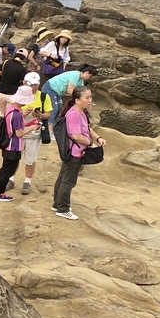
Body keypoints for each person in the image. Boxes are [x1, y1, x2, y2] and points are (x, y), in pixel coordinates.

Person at [53, 87, 107, 220]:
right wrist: (90, 143)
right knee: (68, 181)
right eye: (87, 98)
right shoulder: (74, 114)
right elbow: (76, 136)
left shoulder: (81, 112)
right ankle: (63, 208)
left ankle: (57, 203)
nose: (90, 100)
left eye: (90, 97)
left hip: (76, 152)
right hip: (74, 153)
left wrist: (98, 138)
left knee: (63, 177)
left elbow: (87, 129)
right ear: (77, 100)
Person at [0, 87, 40, 202]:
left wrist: (24, 117)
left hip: (7, 144)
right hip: (14, 146)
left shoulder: (11, 109)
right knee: (8, 170)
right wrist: (31, 127)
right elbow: (19, 133)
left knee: (4, 168)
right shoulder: (17, 114)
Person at [11, 74, 52, 195]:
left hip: (34, 133)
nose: (33, 88)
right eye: (31, 85)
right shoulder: (19, 95)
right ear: (24, 83)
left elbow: (48, 113)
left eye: (35, 85)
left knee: (30, 158)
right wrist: (22, 113)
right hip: (19, 131)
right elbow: (14, 111)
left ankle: (27, 181)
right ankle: (11, 178)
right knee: (14, 157)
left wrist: (40, 115)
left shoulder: (44, 96)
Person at [0, 45, 29, 115]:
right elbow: (24, 82)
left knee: (1, 113)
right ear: (24, 58)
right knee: (8, 114)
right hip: (12, 94)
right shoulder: (22, 69)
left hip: (1, 92)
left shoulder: (6, 62)